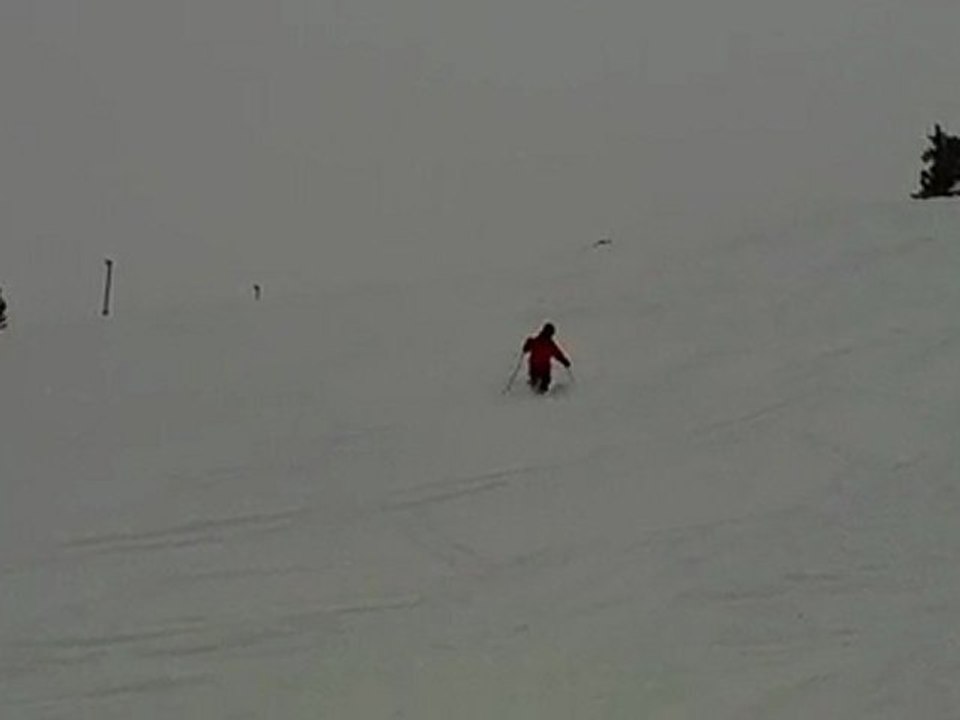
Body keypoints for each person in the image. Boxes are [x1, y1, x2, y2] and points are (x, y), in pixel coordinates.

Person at [522, 322, 571, 394]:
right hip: (543, 367)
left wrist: (527, 344)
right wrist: (564, 361)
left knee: (537, 381)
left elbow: (525, 349)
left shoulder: (536, 341)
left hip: (536, 365)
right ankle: (539, 395)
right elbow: (558, 354)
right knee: (544, 382)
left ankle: (534, 393)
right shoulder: (548, 344)